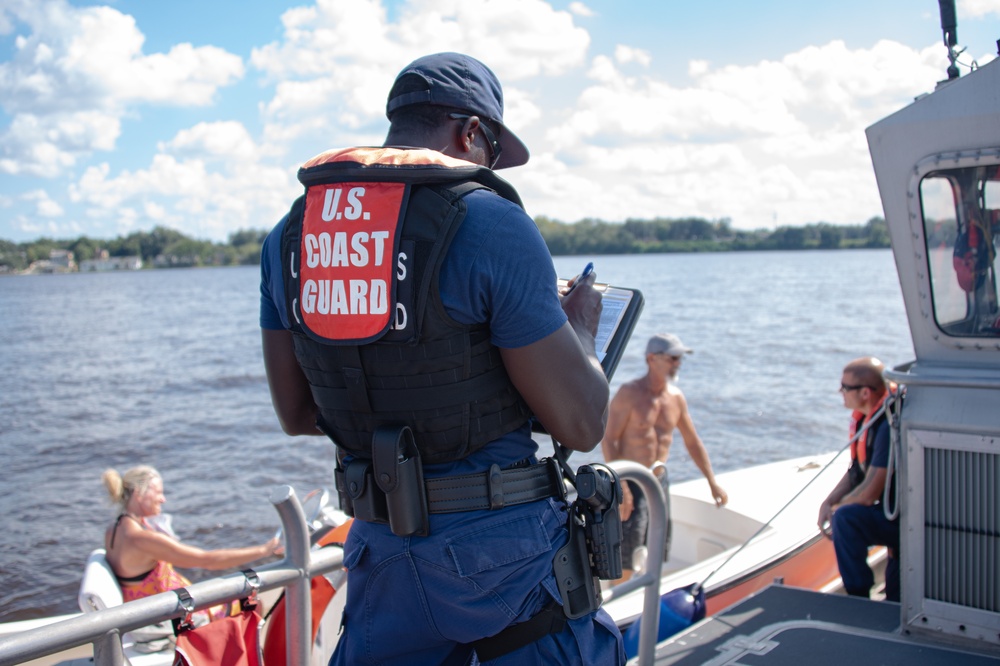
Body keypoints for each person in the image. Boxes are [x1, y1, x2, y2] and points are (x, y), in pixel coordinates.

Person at [259, 52, 624, 664]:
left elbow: (297, 413)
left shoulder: (290, 235)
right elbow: (582, 426)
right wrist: (577, 328)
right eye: (492, 151)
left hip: (382, 558)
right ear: (471, 133)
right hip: (504, 563)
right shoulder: (491, 222)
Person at [601, 333, 728, 583]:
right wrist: (621, 486)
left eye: (679, 358)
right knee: (627, 552)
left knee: (657, 545)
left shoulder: (675, 398)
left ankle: (645, 596)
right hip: (632, 481)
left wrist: (712, 481)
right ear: (651, 358)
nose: (678, 363)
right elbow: (609, 439)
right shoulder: (629, 394)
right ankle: (619, 602)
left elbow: (692, 442)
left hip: (659, 480)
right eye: (673, 358)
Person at [102, 465, 282, 620]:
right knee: (252, 603)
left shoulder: (114, 529)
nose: (163, 499)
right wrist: (264, 550)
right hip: (170, 616)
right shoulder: (142, 539)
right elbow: (207, 560)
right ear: (138, 494)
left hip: (151, 609)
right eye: (158, 492)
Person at [817, 356, 900, 601]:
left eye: (845, 387)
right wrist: (828, 501)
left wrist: (838, 510)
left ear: (865, 392)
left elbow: (869, 493)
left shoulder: (887, 425)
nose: (840, 392)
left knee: (846, 518)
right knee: (843, 514)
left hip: (905, 523)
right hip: (889, 515)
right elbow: (857, 472)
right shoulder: (868, 419)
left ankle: (858, 597)